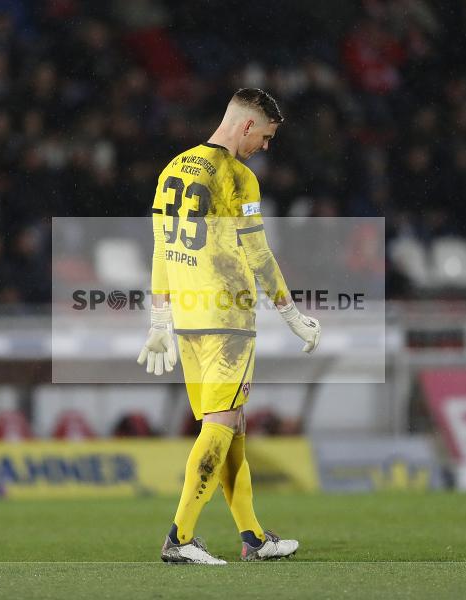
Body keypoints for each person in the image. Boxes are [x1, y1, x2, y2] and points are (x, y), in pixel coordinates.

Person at [137, 88, 321, 564]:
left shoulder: (173, 169)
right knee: (222, 425)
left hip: (189, 319)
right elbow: (258, 255)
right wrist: (291, 314)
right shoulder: (238, 179)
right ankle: (179, 538)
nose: (265, 146)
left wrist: (160, 318)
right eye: (265, 135)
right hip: (228, 319)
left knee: (230, 425)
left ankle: (254, 538)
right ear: (245, 127)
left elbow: (161, 249)